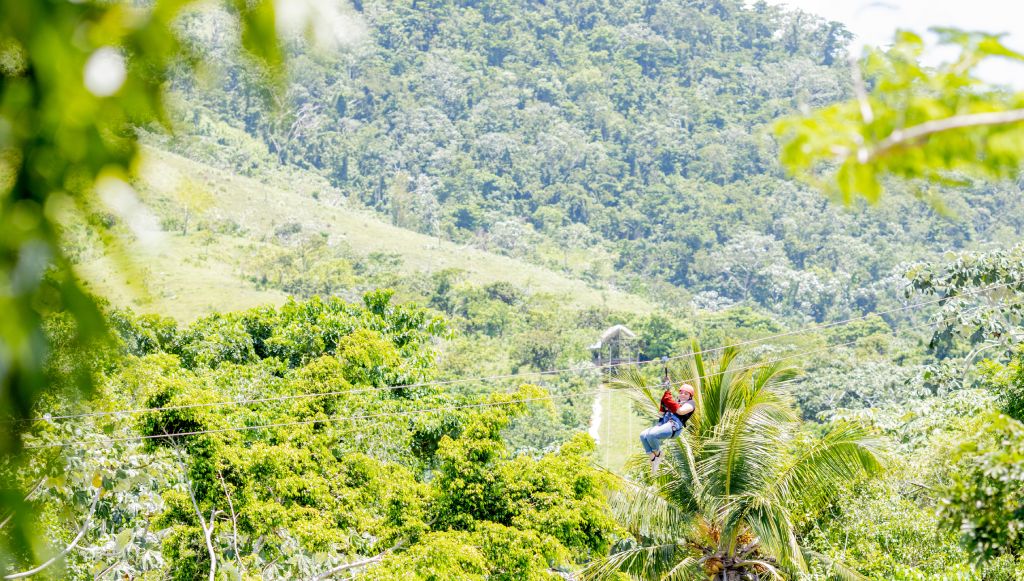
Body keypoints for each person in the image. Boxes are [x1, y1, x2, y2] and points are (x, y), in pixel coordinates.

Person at [639, 382, 696, 473]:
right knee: (643, 435)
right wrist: (664, 402)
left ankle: (659, 454)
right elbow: (661, 414)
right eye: (681, 392)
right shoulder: (675, 402)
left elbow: (680, 411)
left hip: (674, 426)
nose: (682, 395)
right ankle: (653, 458)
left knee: (652, 435)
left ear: (690, 396)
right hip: (664, 424)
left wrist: (668, 400)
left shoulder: (691, 403)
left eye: (686, 393)